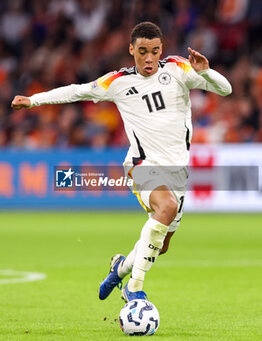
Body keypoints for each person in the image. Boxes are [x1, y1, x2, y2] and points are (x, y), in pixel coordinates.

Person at [11, 22, 232, 303]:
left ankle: (120, 268)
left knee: (160, 246)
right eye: (142, 51)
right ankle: (134, 288)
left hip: (178, 171)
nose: (149, 58)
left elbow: (225, 90)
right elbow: (77, 91)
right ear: (131, 50)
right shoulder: (118, 82)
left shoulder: (178, 69)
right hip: (142, 164)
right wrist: (33, 100)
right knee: (166, 207)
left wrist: (207, 72)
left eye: (154, 51)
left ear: (161, 49)